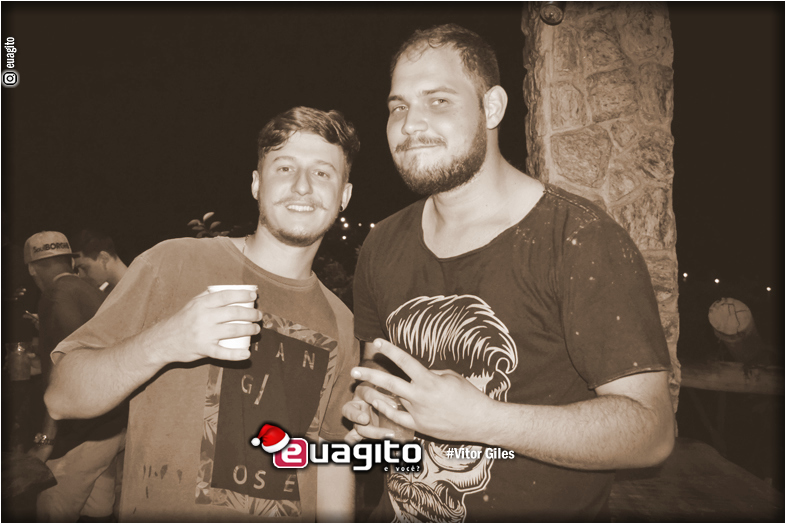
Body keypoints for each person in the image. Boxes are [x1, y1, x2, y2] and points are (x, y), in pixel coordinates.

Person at [342, 24, 675, 522]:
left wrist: (483, 420)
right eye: (398, 107)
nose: (410, 124)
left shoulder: (579, 239)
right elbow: (382, 381)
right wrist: (384, 418)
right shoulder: (381, 244)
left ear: (492, 107)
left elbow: (652, 432)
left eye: (438, 101)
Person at [44, 106, 360, 522]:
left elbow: (332, 455)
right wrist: (167, 340)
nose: (302, 186)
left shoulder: (342, 321)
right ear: (256, 183)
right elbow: (62, 397)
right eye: (285, 167)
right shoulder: (173, 263)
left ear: (344, 196)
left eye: (322, 172)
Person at [23, 231, 126, 522]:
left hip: (80, 435)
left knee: (51, 509)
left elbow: (66, 367)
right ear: (70, 261)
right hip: (113, 426)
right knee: (97, 513)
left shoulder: (55, 295)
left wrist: (45, 441)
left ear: (32, 269)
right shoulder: (91, 290)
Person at [72, 229, 129, 294]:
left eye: (84, 268)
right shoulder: (109, 293)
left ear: (104, 258)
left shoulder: (136, 286)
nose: (81, 276)